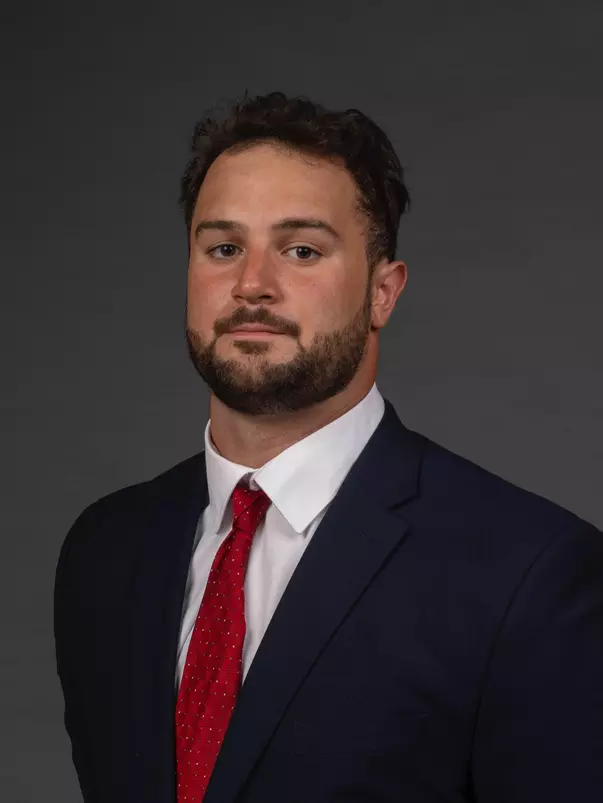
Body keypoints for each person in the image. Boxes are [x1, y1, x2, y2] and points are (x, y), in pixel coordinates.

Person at [53, 91, 603, 803]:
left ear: (382, 292)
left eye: (302, 250)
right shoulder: (105, 551)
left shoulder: (530, 575)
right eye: (223, 247)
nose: (252, 285)